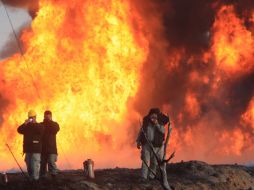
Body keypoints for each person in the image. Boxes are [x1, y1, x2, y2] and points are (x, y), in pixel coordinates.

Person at [136, 108, 170, 189]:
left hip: (157, 146)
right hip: (147, 144)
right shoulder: (146, 122)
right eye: (152, 115)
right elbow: (141, 131)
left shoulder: (160, 122)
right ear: (150, 115)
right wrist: (138, 141)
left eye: (155, 116)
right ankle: (143, 177)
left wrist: (157, 124)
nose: (153, 118)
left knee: (154, 162)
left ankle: (151, 176)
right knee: (146, 161)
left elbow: (162, 131)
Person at [17, 110, 44, 181]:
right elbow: (19, 130)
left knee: (35, 164)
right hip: (28, 149)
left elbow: (41, 130)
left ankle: (35, 179)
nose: (31, 119)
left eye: (32, 117)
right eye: (30, 117)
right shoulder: (26, 126)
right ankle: (31, 178)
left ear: (35, 117)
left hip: (36, 149)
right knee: (29, 164)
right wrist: (24, 124)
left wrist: (34, 123)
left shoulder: (40, 126)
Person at [40, 110, 60, 178]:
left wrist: (50, 121)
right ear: (44, 116)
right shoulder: (41, 124)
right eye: (46, 116)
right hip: (43, 149)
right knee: (42, 164)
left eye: (48, 116)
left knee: (51, 162)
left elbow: (57, 128)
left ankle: (54, 177)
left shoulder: (54, 124)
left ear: (51, 116)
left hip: (52, 149)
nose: (47, 117)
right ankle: (43, 177)